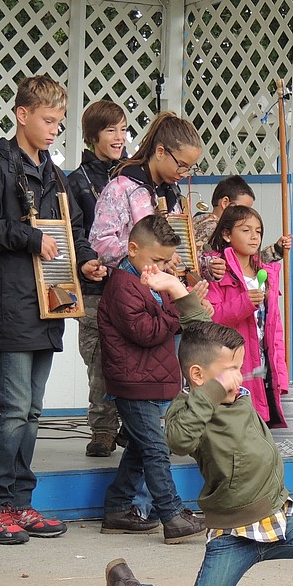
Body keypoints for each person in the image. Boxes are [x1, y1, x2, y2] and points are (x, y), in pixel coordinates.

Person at [104, 322, 293, 586]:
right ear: (199, 377)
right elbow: (178, 440)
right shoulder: (189, 412)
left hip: (276, 524)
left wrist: (174, 287)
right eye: (230, 371)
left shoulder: (239, 397)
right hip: (233, 536)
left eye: (239, 368)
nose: (238, 376)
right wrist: (213, 388)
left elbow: (202, 332)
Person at [0, 75, 107, 545]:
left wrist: (84, 260)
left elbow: (75, 228)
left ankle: (19, 504)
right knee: (15, 408)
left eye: (59, 122)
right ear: (22, 115)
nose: (53, 129)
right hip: (11, 304)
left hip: (51, 302)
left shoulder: (54, 173)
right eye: (47, 120)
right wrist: (29, 237)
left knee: (33, 410)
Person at [97, 214, 211, 543]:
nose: (161, 266)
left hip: (149, 378)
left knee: (140, 446)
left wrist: (179, 299)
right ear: (132, 249)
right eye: (156, 259)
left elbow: (163, 325)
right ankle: (172, 514)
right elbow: (147, 332)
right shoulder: (122, 285)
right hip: (133, 382)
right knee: (156, 449)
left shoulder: (150, 282)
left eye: (165, 260)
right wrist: (178, 304)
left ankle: (117, 509)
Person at [66, 99, 129, 458]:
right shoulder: (76, 181)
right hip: (93, 286)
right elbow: (72, 232)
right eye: (110, 130)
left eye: (123, 128)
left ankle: (130, 424)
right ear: (92, 136)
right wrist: (86, 262)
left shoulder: (133, 177)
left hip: (132, 283)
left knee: (133, 357)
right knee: (100, 359)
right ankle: (103, 428)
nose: (119, 137)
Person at [203, 204, 288, 426]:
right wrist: (244, 303)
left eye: (258, 231)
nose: (254, 237)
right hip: (233, 365)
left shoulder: (267, 272)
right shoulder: (217, 270)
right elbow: (210, 319)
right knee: (236, 425)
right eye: (245, 230)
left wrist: (280, 372)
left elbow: (274, 328)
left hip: (263, 364)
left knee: (259, 427)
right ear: (226, 234)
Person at [88, 111, 202, 270]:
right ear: (160, 151)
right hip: (132, 289)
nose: (184, 173)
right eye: (181, 165)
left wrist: (207, 264)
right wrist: (154, 254)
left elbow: (184, 251)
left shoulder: (174, 195)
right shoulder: (121, 189)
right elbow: (100, 244)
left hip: (167, 291)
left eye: (190, 168)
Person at [192, 175, 289, 279]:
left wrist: (276, 250)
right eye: (242, 209)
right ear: (225, 202)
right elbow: (242, 262)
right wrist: (275, 251)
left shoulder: (198, 221)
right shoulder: (215, 228)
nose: (247, 214)